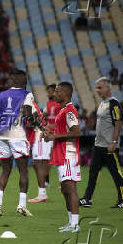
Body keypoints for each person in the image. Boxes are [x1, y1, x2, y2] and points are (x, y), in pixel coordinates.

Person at [79, 77, 123, 208]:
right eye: (97, 87)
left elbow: (118, 123)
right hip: (99, 145)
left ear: (107, 88)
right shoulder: (102, 103)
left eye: (99, 87)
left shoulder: (114, 103)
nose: (97, 90)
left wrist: (114, 141)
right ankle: (87, 199)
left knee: (116, 173)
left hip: (109, 146)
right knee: (93, 173)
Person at [0, 69, 34, 216]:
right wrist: (36, 124)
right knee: (23, 171)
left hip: (1, 136)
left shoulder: (1, 95)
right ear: (21, 81)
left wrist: (1, 118)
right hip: (17, 136)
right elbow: (28, 113)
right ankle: (21, 206)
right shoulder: (26, 94)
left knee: (5, 171)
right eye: (25, 80)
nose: (27, 82)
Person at [42, 82, 81, 233]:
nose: (54, 94)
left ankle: (75, 224)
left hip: (68, 153)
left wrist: (54, 136)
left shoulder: (70, 111)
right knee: (65, 189)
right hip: (61, 153)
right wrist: (51, 135)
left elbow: (76, 132)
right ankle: (71, 222)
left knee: (70, 188)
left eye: (57, 91)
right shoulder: (62, 110)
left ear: (65, 93)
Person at [27, 101, 50, 203]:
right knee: (39, 164)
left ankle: (42, 194)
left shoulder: (29, 105)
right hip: (39, 135)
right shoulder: (31, 104)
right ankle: (42, 192)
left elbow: (32, 123)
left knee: (38, 164)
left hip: (39, 135)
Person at [43, 84, 61, 187]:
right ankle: (46, 181)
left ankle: (62, 180)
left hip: (58, 133)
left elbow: (61, 120)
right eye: (48, 91)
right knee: (46, 157)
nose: (48, 93)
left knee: (59, 157)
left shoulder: (60, 104)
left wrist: (51, 125)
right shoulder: (49, 103)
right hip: (49, 133)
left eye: (50, 91)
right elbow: (45, 114)